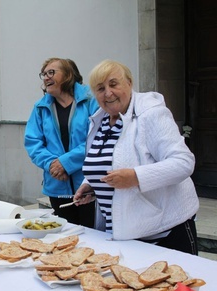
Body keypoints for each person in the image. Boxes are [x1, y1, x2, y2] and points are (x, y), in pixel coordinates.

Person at [74, 59, 199, 255]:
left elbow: (183, 162)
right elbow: (110, 160)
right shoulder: (100, 121)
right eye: (100, 88)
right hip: (122, 236)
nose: (108, 93)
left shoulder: (151, 114)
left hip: (164, 236)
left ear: (129, 83)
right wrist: (91, 184)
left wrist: (136, 177)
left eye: (113, 84)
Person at [25, 58, 99, 227]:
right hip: (57, 185)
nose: (46, 78)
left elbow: (96, 139)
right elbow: (32, 142)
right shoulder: (40, 107)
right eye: (43, 74)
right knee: (65, 235)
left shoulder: (91, 100)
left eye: (51, 72)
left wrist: (65, 163)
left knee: (93, 236)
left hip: (89, 185)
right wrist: (52, 164)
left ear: (68, 75)